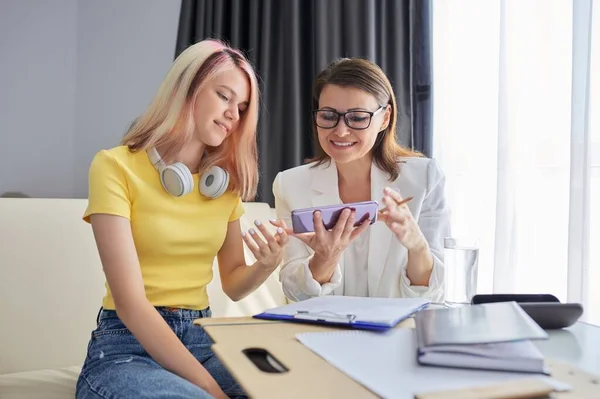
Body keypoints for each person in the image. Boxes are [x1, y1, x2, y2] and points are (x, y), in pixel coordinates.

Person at [76, 39, 288, 399]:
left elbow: (234, 282)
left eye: (242, 107)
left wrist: (267, 264)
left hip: (203, 339)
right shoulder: (114, 167)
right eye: (224, 96)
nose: (233, 115)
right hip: (126, 348)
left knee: (293, 384)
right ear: (186, 88)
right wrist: (210, 389)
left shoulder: (224, 185)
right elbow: (130, 303)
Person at [271, 58, 450, 303]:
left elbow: (430, 294)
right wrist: (326, 258)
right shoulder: (290, 184)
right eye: (328, 115)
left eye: (357, 118)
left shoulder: (424, 178)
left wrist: (417, 246)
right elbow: (295, 293)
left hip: (399, 334)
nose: (341, 131)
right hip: (323, 334)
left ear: (384, 118)